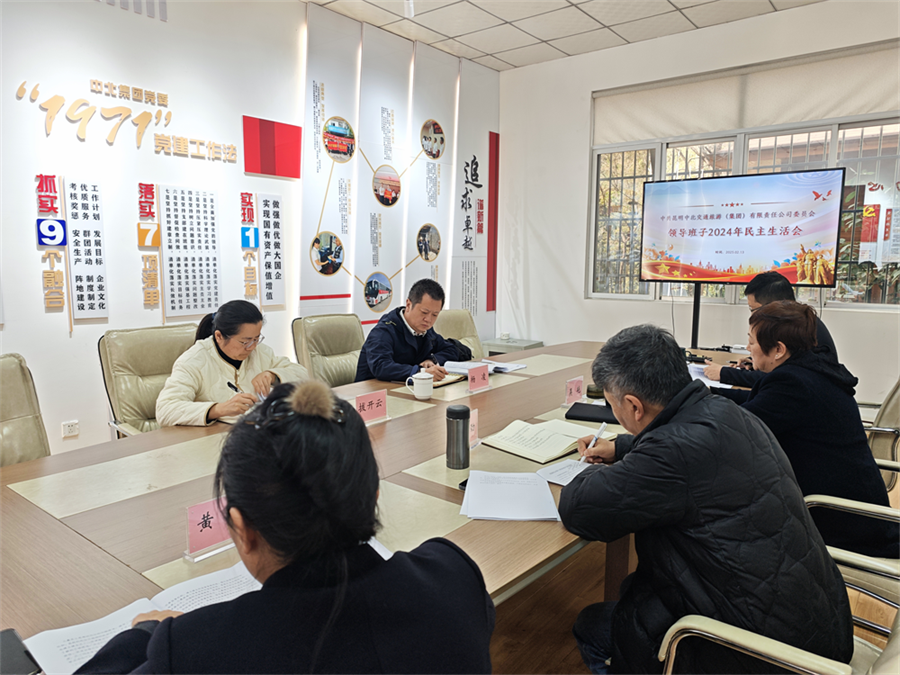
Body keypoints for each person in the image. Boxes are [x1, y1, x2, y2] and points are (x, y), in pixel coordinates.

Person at [77, 380, 495, 674]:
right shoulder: (454, 575)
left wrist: (147, 633)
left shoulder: (194, 650)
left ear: (242, 529)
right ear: (373, 496)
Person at [561, 324, 852, 675]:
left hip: (765, 656)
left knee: (592, 625)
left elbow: (580, 509)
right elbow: (684, 446)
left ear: (634, 406)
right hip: (815, 626)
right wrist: (623, 447)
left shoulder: (671, 456)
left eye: (613, 406)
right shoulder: (727, 412)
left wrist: (589, 471)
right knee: (631, 593)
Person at [737, 300, 899, 557]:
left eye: (751, 342)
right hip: (860, 516)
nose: (748, 348)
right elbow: (756, 407)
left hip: (840, 524)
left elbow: (736, 428)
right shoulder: (814, 371)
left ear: (778, 349)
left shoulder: (792, 383)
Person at [156, 300, 308, 426]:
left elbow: (303, 375)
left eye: (256, 339)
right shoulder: (194, 361)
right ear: (219, 336)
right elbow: (165, 410)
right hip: (211, 439)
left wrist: (273, 375)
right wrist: (218, 409)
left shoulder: (260, 352)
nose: (252, 347)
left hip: (257, 432)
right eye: (245, 341)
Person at [703, 270, 838, 387]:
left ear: (773, 307)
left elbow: (781, 378)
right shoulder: (796, 322)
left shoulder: (801, 330)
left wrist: (725, 373)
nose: (752, 316)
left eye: (753, 309)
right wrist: (757, 362)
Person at [355, 278, 457, 382]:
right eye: (424, 312)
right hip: (372, 390)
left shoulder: (425, 331)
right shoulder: (384, 331)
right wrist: (420, 373)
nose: (429, 320)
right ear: (408, 305)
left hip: (404, 388)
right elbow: (381, 366)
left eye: (435, 315)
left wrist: (432, 360)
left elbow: (452, 349)